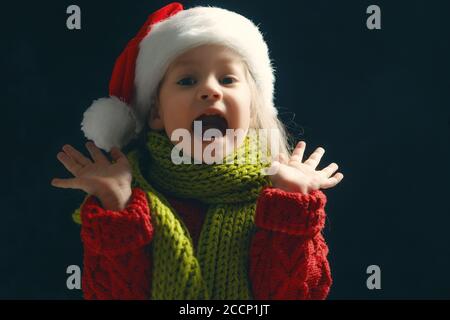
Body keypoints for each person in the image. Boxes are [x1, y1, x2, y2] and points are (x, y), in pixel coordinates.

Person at [51, 2, 344, 300]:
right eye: (187, 80)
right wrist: (116, 204)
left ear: (253, 109)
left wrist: (292, 204)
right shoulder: (129, 201)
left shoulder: (279, 196)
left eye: (227, 79)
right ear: (156, 114)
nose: (210, 90)